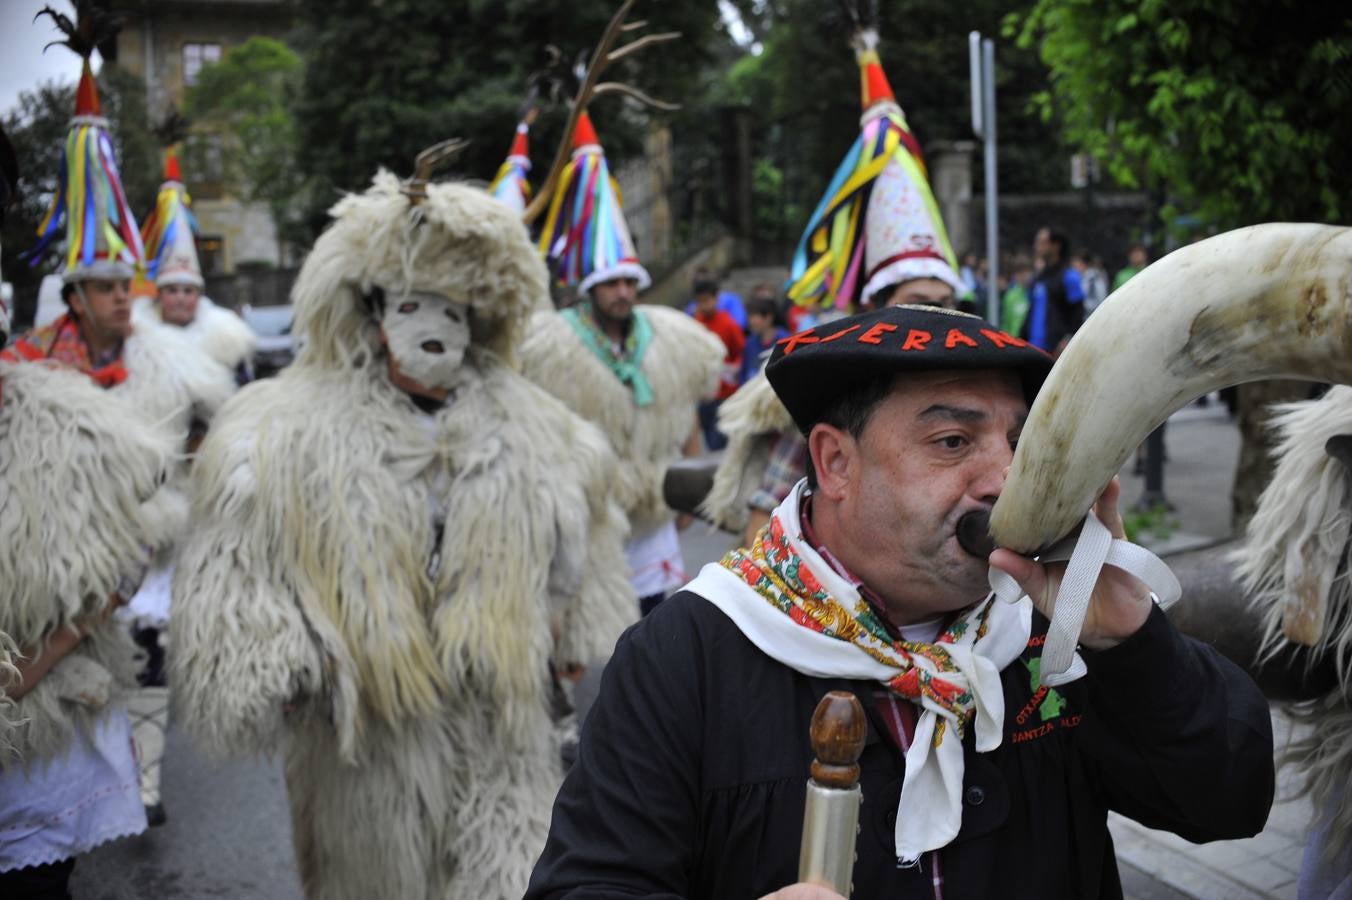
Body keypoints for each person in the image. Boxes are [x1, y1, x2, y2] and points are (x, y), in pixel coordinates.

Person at [527, 304, 1275, 898]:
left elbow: (1231, 803)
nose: (1001, 480)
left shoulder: (1053, 634)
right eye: (953, 442)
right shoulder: (684, 655)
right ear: (835, 462)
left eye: (1018, 444)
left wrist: (1128, 637)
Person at [170, 171, 635, 900]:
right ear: (376, 313)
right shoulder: (284, 431)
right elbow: (238, 562)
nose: (435, 328)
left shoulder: (540, 429)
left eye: (453, 310)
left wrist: (570, 638)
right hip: (370, 737)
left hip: (501, 724)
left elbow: (584, 548)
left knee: (509, 878)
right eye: (416, 306)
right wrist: (284, 662)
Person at [0, 42, 189, 896]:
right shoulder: (36, 373)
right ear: (74, 293)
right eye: (106, 284)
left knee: (139, 667)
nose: (124, 297)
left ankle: (141, 775)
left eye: (129, 284)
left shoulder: (161, 370)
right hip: (51, 578)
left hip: (141, 555)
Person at [704, 18, 965, 543]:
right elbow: (763, 529)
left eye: (947, 303)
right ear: (877, 306)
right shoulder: (828, 395)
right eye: (919, 303)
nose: (937, 318)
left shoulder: (982, 392)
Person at [525, 110, 723, 616]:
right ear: (591, 289)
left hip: (655, 509)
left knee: (656, 621)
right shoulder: (553, 344)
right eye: (612, 284)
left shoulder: (669, 336)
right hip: (591, 509)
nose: (623, 292)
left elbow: (683, 413)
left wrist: (688, 489)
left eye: (629, 282)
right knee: (582, 621)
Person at [136, 146, 257, 385]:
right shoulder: (138, 343)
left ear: (199, 295)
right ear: (159, 295)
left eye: (188, 291)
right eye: (172, 290)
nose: (180, 298)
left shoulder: (227, 340)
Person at [691, 275, 745, 451]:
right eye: (700, 302)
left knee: (718, 444)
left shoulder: (728, 324)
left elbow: (742, 353)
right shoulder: (694, 323)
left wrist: (733, 369)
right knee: (707, 438)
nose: (703, 306)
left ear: (716, 298)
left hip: (725, 394)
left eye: (707, 301)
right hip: (703, 393)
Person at [1027, 227, 1085, 354]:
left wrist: (1068, 339)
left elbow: (1078, 313)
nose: (1037, 247)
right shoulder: (1037, 278)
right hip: (1033, 348)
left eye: (1042, 242)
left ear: (1056, 245)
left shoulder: (1070, 277)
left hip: (1056, 350)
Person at [741, 286, 788, 384]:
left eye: (754, 317)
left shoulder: (786, 342)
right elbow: (744, 374)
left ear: (768, 317)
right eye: (749, 317)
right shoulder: (750, 343)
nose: (750, 322)